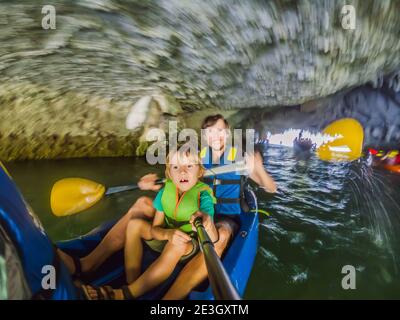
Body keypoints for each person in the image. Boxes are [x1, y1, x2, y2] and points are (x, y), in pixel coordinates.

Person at [81, 148, 218, 299]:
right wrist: (167, 234)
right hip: (166, 235)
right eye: (176, 167)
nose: (183, 172)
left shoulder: (203, 195)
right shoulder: (164, 192)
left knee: (176, 244)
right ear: (169, 173)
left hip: (187, 244)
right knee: (134, 225)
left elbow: (208, 221)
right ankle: (132, 283)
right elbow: (155, 229)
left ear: (199, 172)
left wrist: (204, 219)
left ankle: (125, 294)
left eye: (189, 166)